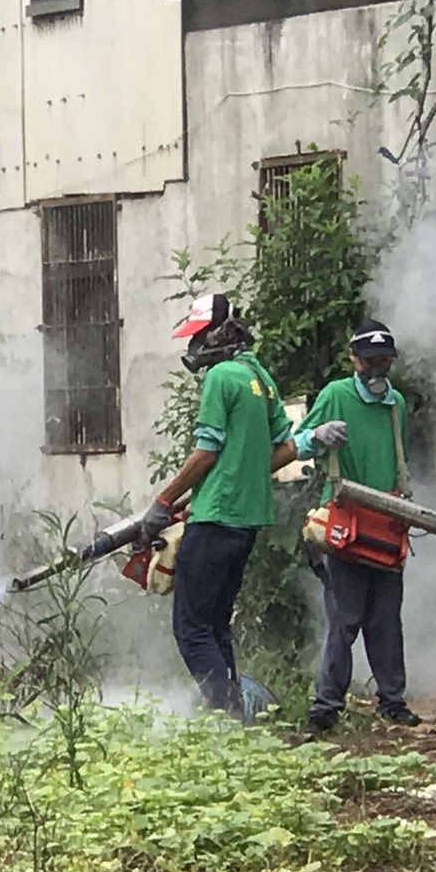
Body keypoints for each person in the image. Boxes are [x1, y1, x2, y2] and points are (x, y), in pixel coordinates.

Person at [137, 293, 295, 713]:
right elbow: (286, 448)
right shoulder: (258, 375)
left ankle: (226, 712)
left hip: (216, 518)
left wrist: (163, 500)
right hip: (246, 519)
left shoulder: (220, 377)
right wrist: (237, 476)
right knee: (215, 624)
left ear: (216, 335)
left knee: (191, 630)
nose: (193, 349)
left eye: (198, 337)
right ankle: (232, 707)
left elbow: (206, 452)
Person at [293, 318, 421, 730]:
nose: (378, 370)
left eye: (385, 361)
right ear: (354, 359)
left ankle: (393, 701)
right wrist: (317, 436)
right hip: (344, 523)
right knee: (344, 619)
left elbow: (397, 456)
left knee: (386, 619)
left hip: (385, 523)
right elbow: (293, 444)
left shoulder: (395, 404)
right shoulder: (336, 395)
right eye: (371, 361)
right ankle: (326, 707)